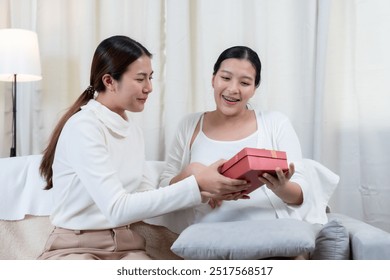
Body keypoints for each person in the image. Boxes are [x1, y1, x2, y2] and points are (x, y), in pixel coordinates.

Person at [37, 36, 250, 260]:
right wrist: (197, 185)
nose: (149, 88)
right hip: (75, 247)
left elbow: (146, 198)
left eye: (150, 78)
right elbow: (117, 209)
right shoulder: (84, 127)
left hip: (125, 246)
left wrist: (206, 191)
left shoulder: (133, 131)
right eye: (140, 79)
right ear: (109, 81)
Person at [159, 46, 318, 234]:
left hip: (270, 234)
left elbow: (301, 196)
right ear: (213, 79)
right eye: (225, 78)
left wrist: (281, 188)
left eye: (244, 83)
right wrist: (195, 175)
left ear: (254, 89)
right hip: (204, 239)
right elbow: (164, 188)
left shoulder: (276, 123)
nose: (233, 89)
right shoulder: (190, 125)